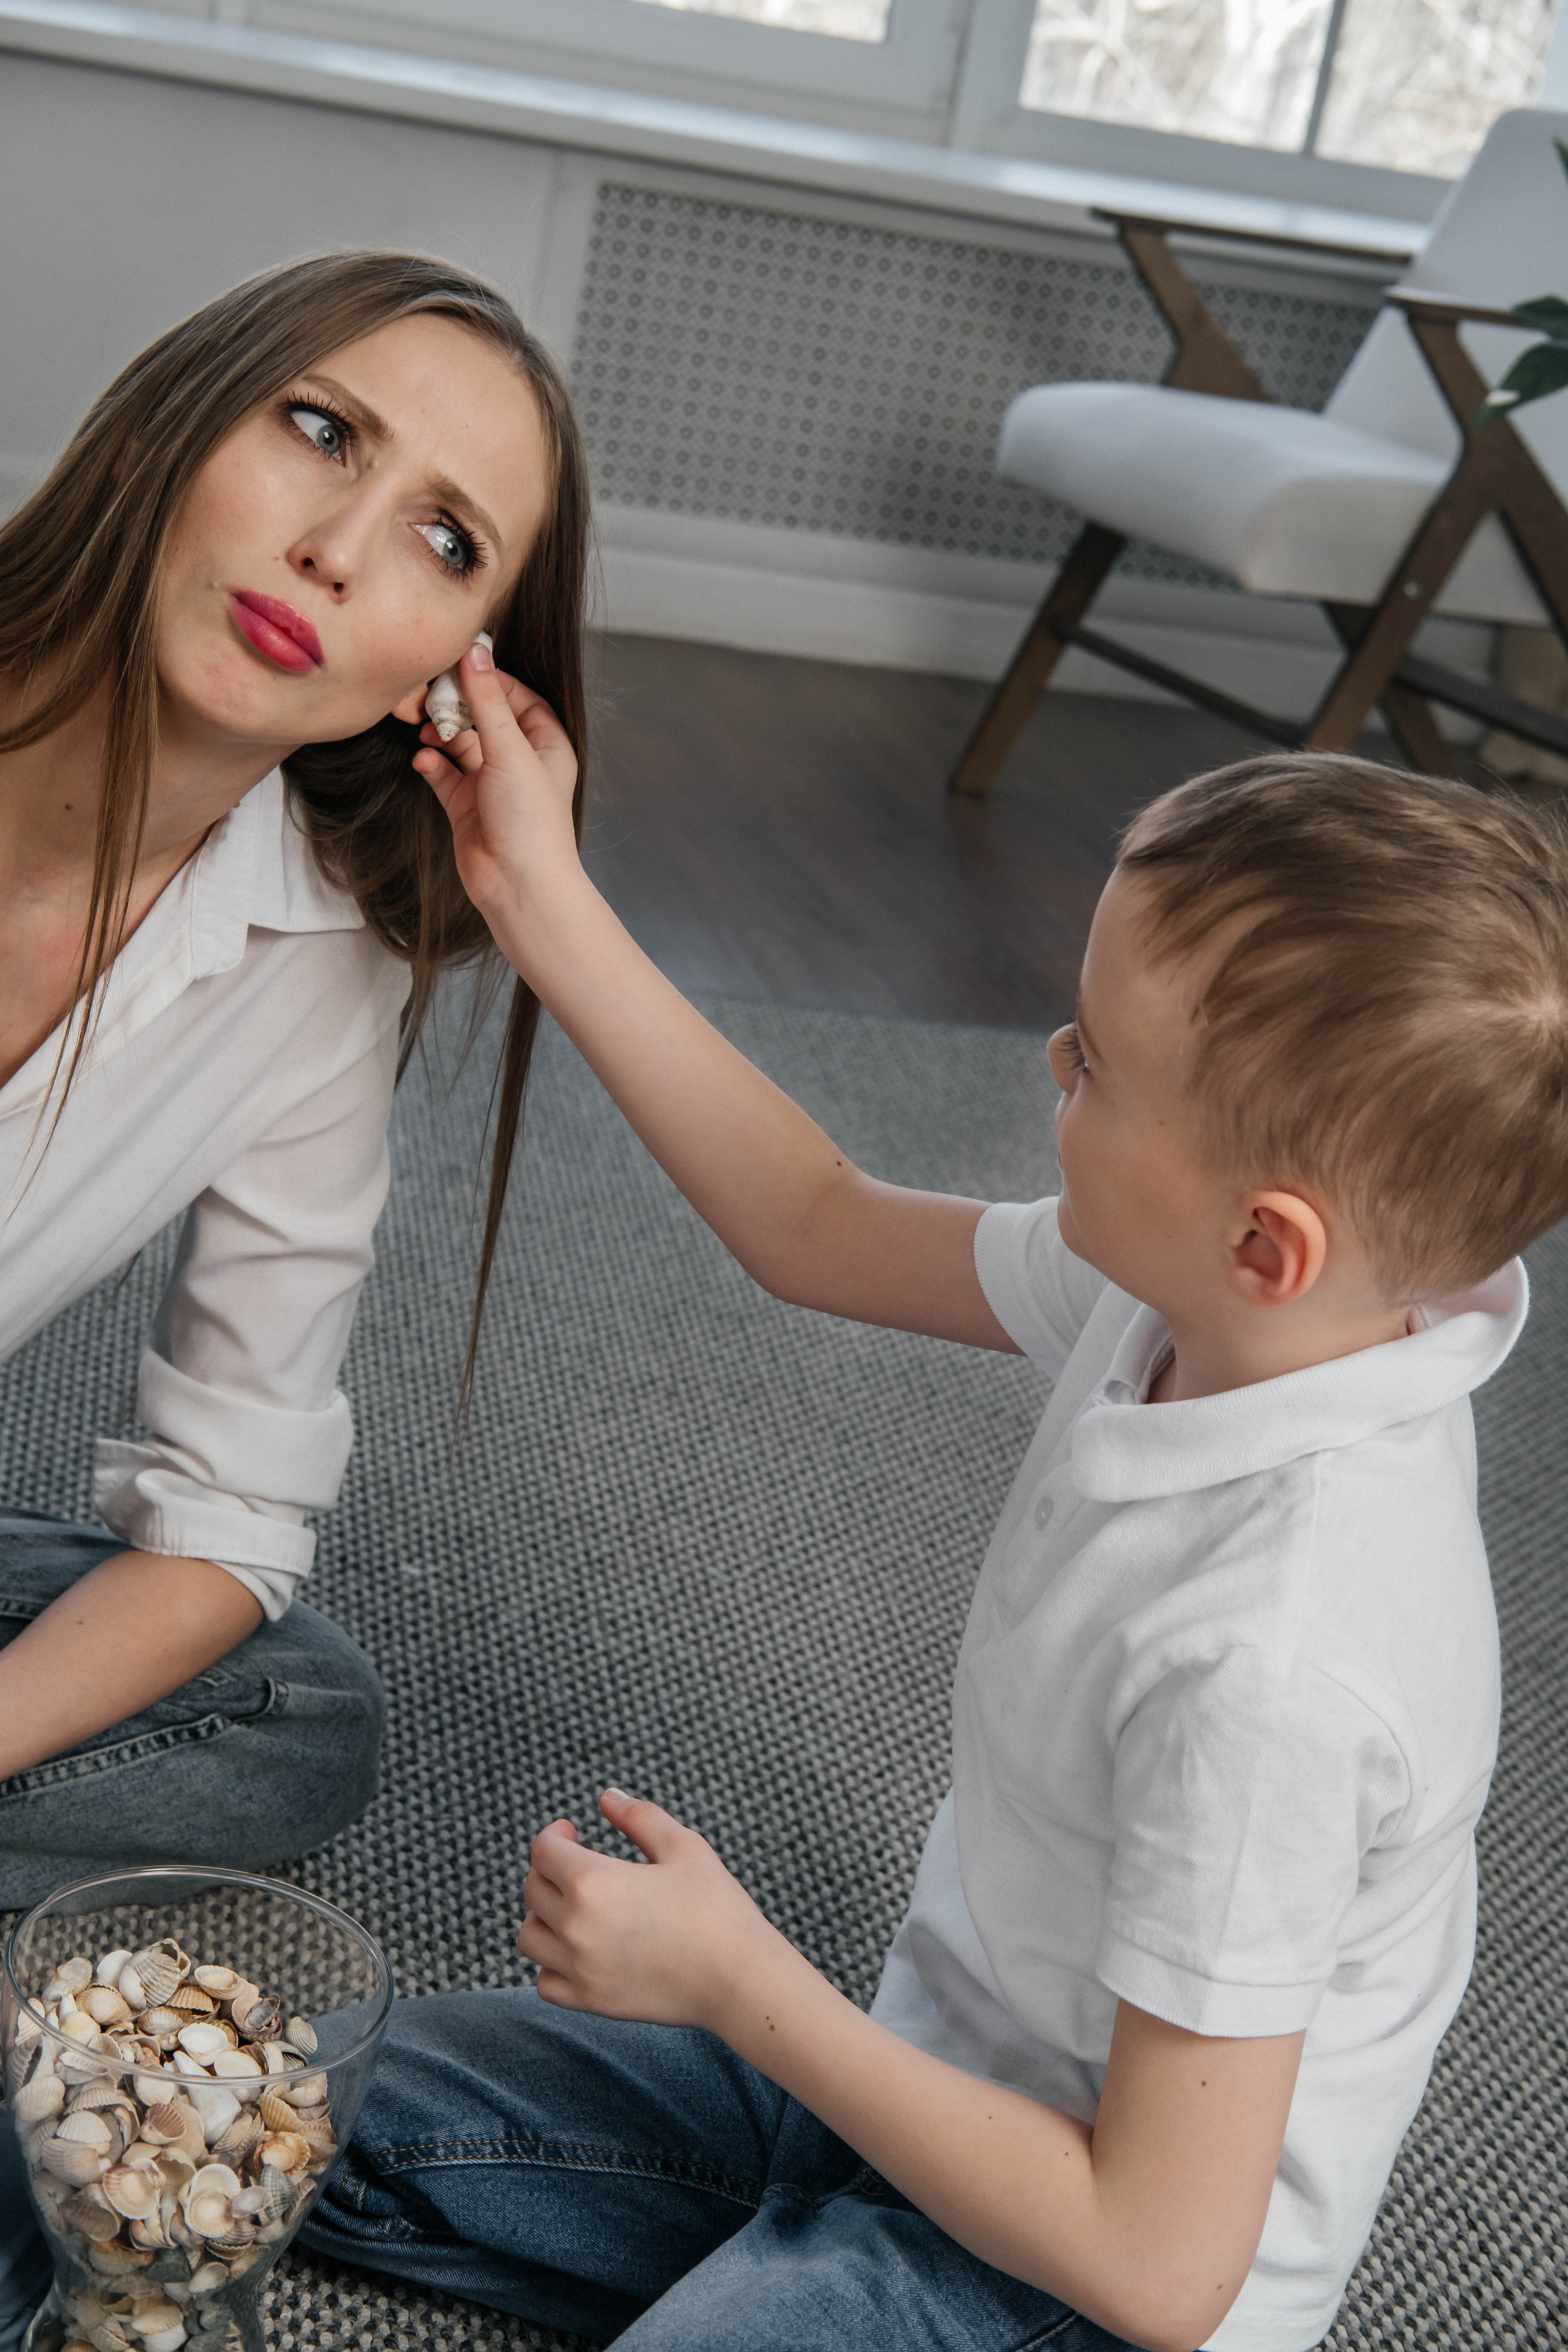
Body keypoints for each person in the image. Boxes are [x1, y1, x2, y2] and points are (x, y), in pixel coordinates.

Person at [300, 662, 1567, 2352]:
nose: (1051, 1057)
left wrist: (740, 1988)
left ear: (1267, 1241)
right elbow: (814, 1222)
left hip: (1076, 2286)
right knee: (270, 2093)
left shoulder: (1275, 1673)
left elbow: (1158, 2271)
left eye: (1095, 1064)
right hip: (928, 2100)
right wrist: (538, 893)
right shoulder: (1227, 1304)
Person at [0, 251, 590, 1910]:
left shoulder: (323, 963)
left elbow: (233, 1510)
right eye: (322, 433)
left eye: (445, 539)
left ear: (450, 672)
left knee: (291, 1715)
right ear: (171, 428)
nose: (337, 549)